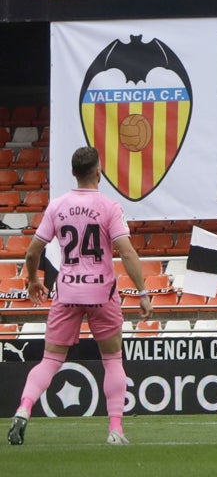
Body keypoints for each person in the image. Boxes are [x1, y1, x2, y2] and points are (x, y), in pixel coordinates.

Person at [7, 146, 153, 446]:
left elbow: (33, 250)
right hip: (102, 292)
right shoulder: (109, 207)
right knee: (112, 360)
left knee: (49, 360)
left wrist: (34, 280)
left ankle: (23, 408)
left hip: (68, 290)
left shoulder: (57, 206)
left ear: (73, 173)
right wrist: (143, 291)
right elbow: (126, 251)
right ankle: (115, 430)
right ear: (98, 171)